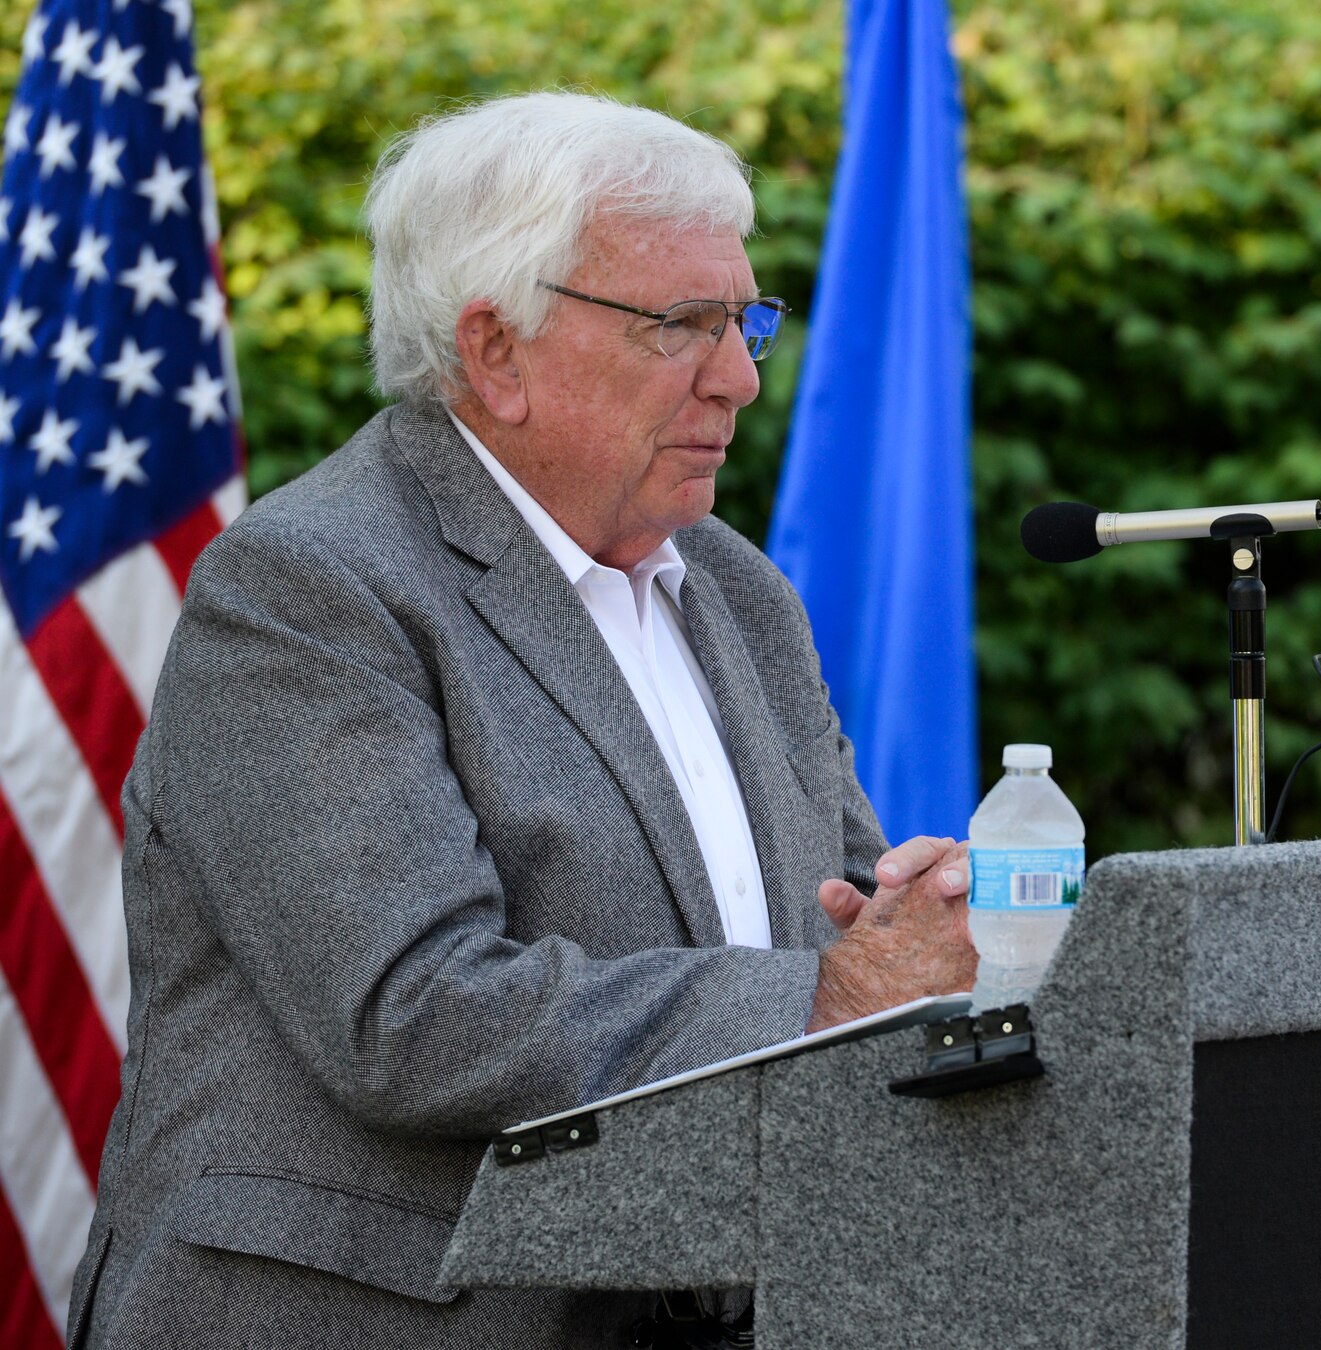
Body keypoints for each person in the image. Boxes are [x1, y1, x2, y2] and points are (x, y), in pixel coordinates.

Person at [69, 91, 978, 1348]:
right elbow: (415, 1016)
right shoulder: (309, 588)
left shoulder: (735, 589)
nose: (738, 378)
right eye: (681, 326)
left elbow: (832, 918)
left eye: (743, 321)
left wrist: (917, 930)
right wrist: (819, 1001)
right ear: (494, 351)